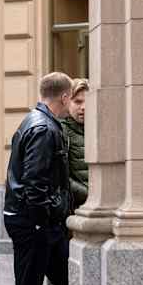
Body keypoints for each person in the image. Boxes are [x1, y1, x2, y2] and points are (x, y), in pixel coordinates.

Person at [3, 72, 73, 285]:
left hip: (40, 222)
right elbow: (34, 184)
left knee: (63, 283)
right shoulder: (44, 128)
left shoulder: (37, 122)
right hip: (36, 224)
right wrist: (50, 214)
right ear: (65, 97)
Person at [63, 78, 88, 213]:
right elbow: (61, 177)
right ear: (67, 102)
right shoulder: (60, 130)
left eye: (88, 101)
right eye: (78, 102)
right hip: (73, 210)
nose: (83, 107)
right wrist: (89, 194)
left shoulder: (101, 130)